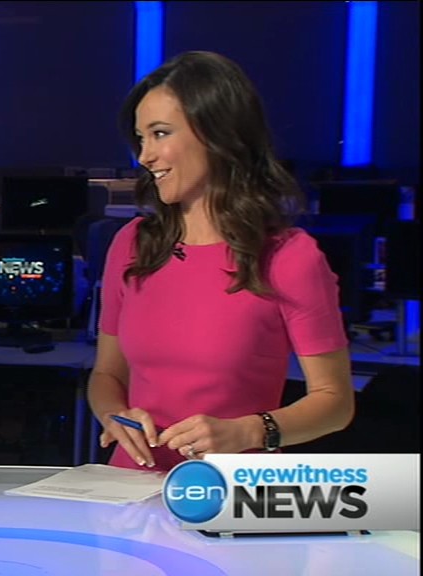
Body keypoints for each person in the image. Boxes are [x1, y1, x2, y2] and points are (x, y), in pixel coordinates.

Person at [87, 51, 354, 472]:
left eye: (159, 134)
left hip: (232, 489)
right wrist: (114, 415)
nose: (144, 156)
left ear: (216, 135)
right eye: (140, 139)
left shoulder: (289, 257)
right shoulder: (132, 244)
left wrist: (248, 432)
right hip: (131, 487)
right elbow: (107, 377)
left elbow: (335, 403)